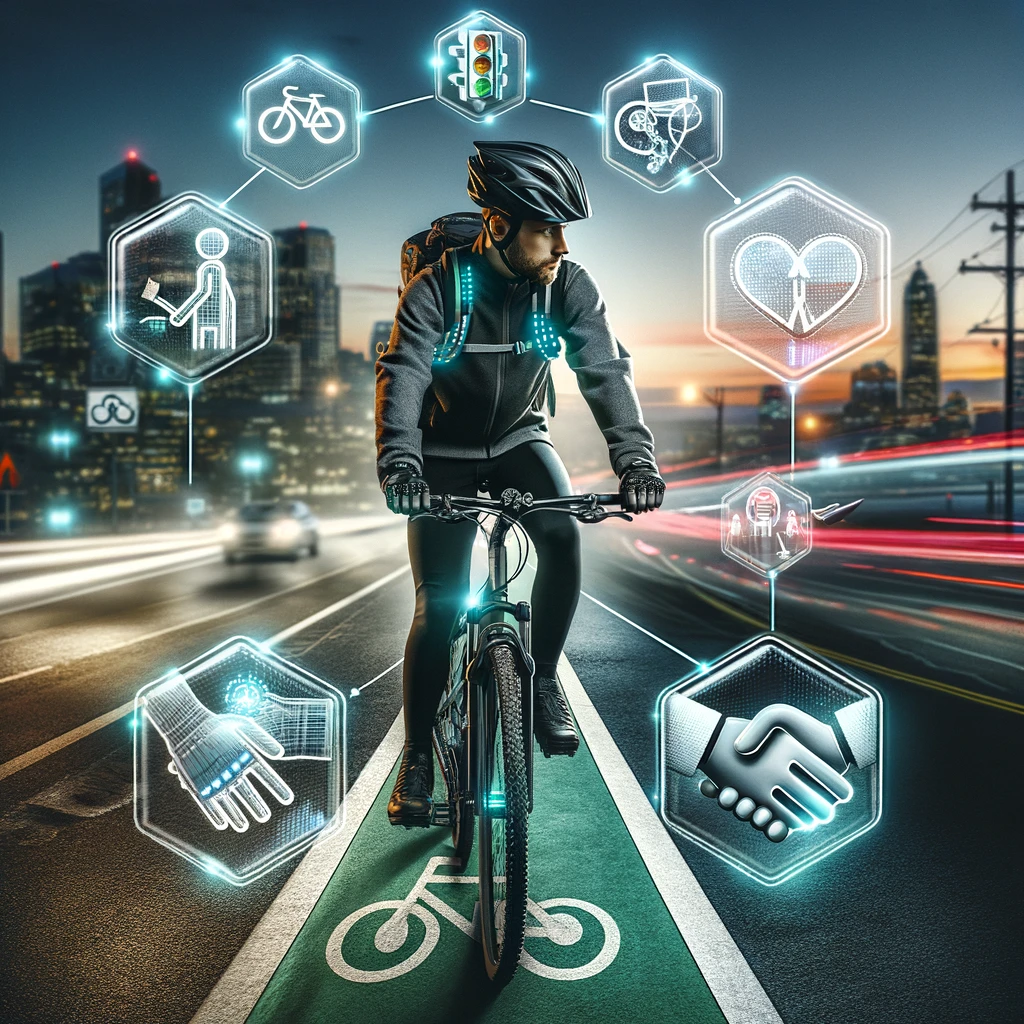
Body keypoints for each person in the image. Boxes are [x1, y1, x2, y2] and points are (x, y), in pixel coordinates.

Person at [375, 140, 665, 826]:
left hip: (518, 442)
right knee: (440, 605)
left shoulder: (567, 285)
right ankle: (418, 758)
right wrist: (400, 465)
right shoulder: (439, 288)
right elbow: (404, 375)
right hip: (440, 454)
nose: (562, 243)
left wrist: (636, 462)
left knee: (562, 538)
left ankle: (539, 680)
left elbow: (604, 371)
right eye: (547, 227)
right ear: (499, 225)